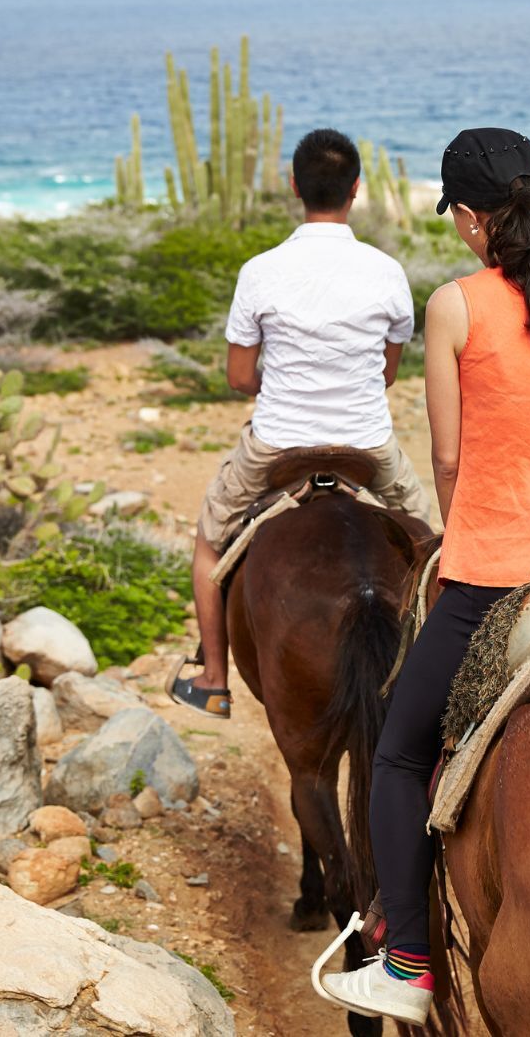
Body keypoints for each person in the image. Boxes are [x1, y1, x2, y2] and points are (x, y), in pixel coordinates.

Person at [319, 128, 530, 1027]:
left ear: (469, 219)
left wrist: (469, 541)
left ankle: (407, 962)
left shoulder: (455, 306)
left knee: (398, 752)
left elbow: (450, 461)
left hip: (500, 575)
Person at [169, 128, 433, 719]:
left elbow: (240, 376)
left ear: (294, 186)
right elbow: (386, 373)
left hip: (278, 445)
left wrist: (282, 384)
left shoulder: (260, 271)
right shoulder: (386, 271)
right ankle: (454, 680)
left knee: (209, 544)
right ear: (356, 189)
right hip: (367, 445)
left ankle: (213, 680)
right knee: (434, 544)